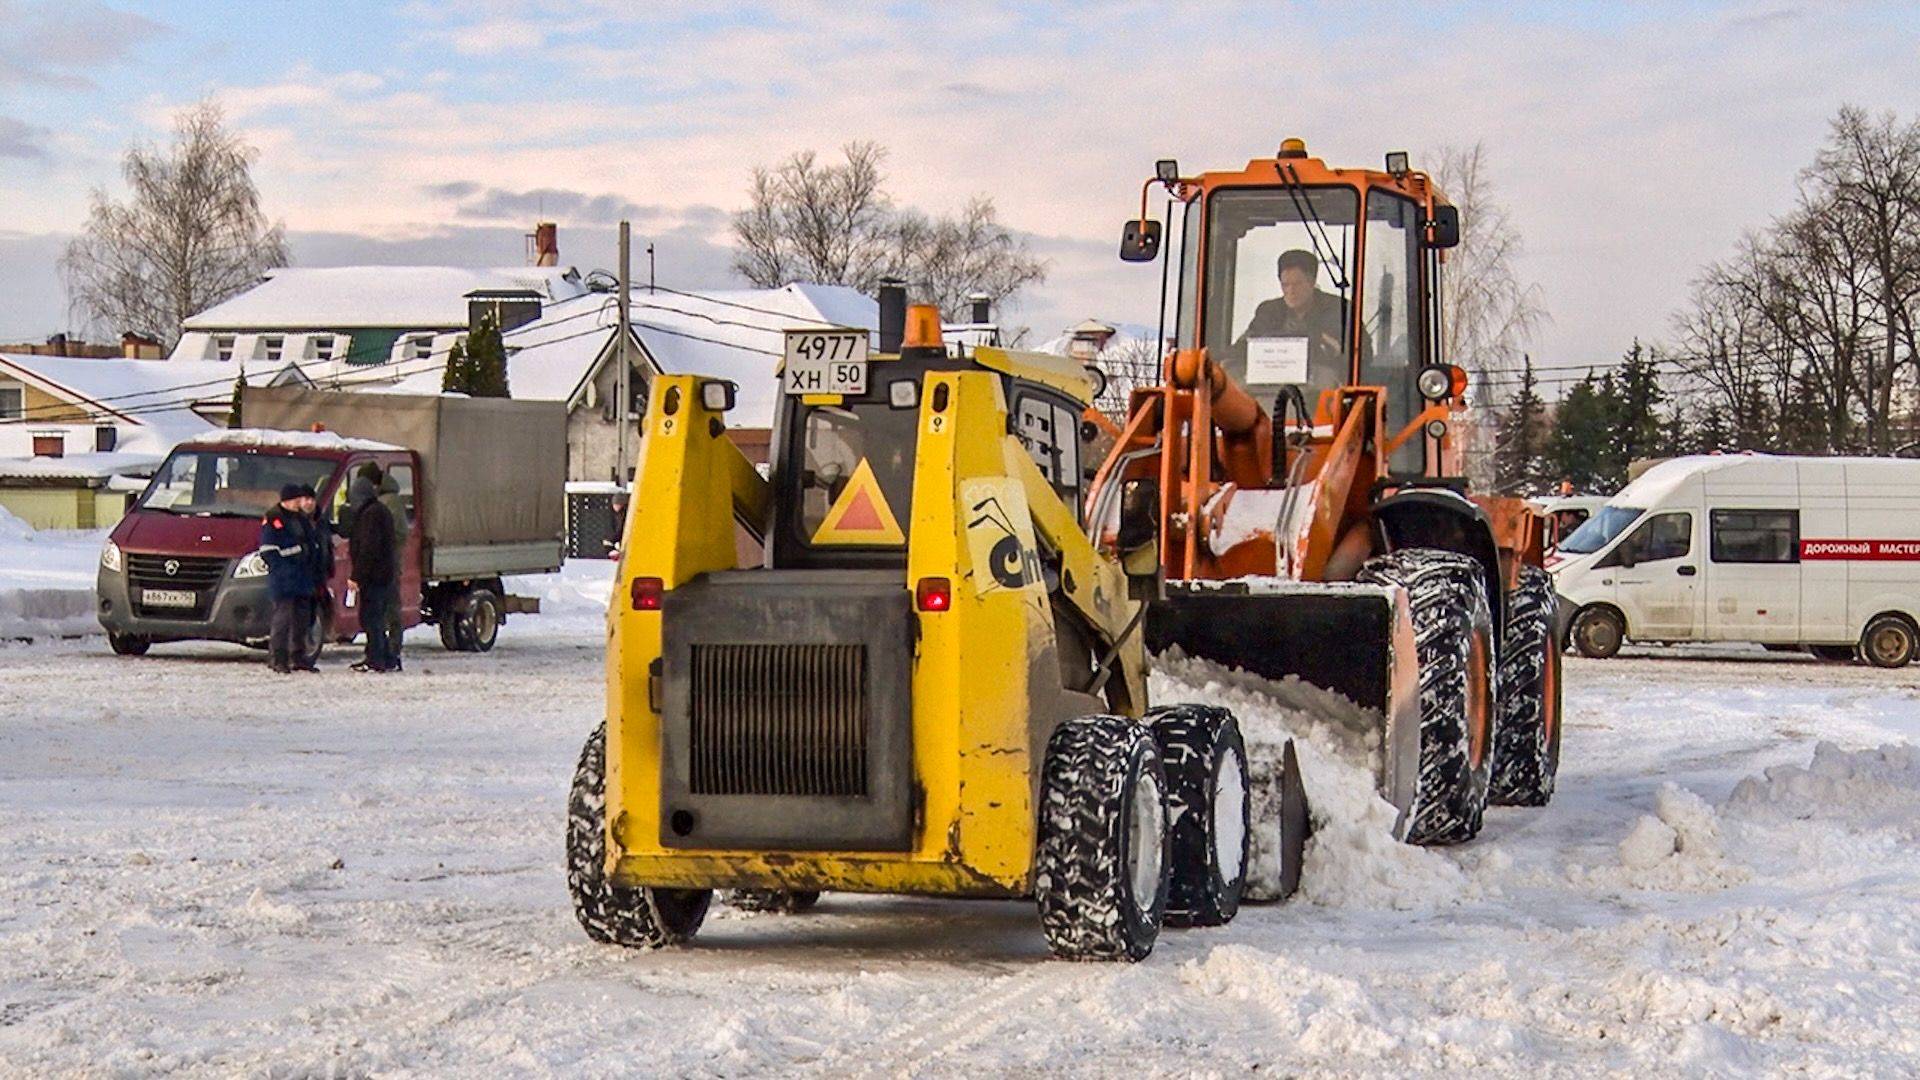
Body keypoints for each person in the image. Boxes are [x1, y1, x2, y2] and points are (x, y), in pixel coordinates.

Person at [1229, 248, 1349, 393]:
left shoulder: (1340, 310)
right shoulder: (1268, 311)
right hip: (1267, 390)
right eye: (1285, 285)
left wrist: (1324, 341)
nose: (1291, 291)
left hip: (1321, 395)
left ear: (1312, 282)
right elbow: (1245, 346)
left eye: (1297, 285)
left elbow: (1361, 356)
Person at [260, 483, 319, 674]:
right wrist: (284, 567)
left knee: (301, 620)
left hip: (302, 577)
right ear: (287, 500)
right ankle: (278, 658)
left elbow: (310, 542)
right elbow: (268, 551)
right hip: (284, 578)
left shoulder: (300, 518)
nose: (299, 503)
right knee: (282, 621)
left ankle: (298, 657)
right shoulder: (274, 519)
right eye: (296, 500)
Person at [345, 473, 398, 673]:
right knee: (376, 617)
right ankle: (388, 658)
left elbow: (368, 548)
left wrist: (357, 576)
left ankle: (375, 659)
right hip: (383, 575)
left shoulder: (370, 515)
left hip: (374, 577)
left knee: (371, 618)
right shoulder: (379, 511)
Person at [377, 469, 410, 669]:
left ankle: (391, 651)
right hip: (389, 565)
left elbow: (399, 534)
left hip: (388, 565)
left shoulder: (388, 503)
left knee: (389, 610)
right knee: (388, 609)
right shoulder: (390, 501)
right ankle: (390, 651)